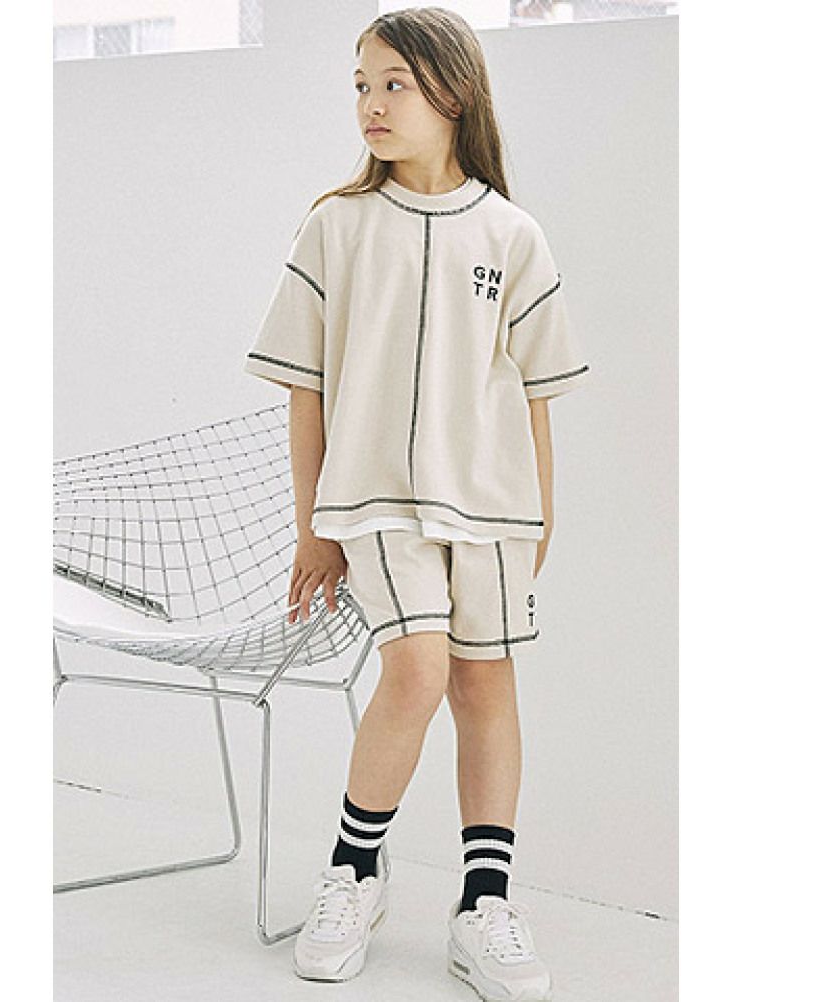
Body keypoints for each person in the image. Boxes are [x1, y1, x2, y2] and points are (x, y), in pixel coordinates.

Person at [243, 8, 590, 1000]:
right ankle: (354, 872)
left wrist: (542, 516)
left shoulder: (512, 234)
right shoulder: (337, 224)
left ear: (454, 92)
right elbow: (304, 386)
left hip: (493, 508)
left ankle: (485, 903)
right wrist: (314, 525)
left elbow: (535, 395)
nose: (371, 103)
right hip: (374, 503)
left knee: (486, 686)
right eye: (362, 84)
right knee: (418, 671)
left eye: (393, 83)